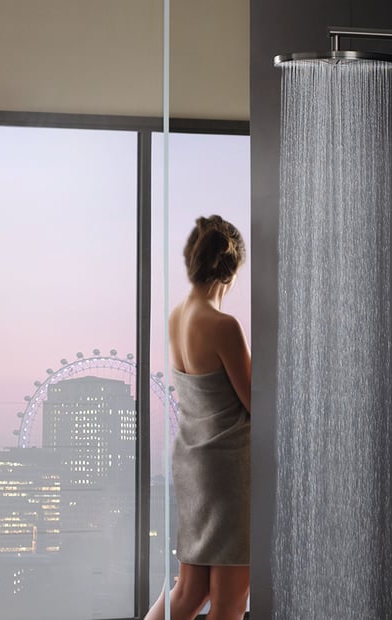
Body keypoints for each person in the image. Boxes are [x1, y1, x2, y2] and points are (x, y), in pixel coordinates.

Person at [145, 215, 251, 620]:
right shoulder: (224, 325)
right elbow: (252, 399)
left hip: (192, 461)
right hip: (227, 468)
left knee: (188, 592)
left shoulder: (177, 317)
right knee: (229, 602)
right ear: (231, 270)